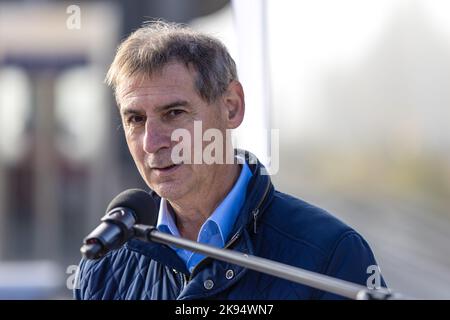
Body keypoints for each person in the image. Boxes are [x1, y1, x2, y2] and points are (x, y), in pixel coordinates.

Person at [74, 21, 386, 300]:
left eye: (174, 114)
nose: (151, 142)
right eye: (136, 119)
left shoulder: (330, 253)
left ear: (232, 107)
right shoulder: (105, 265)